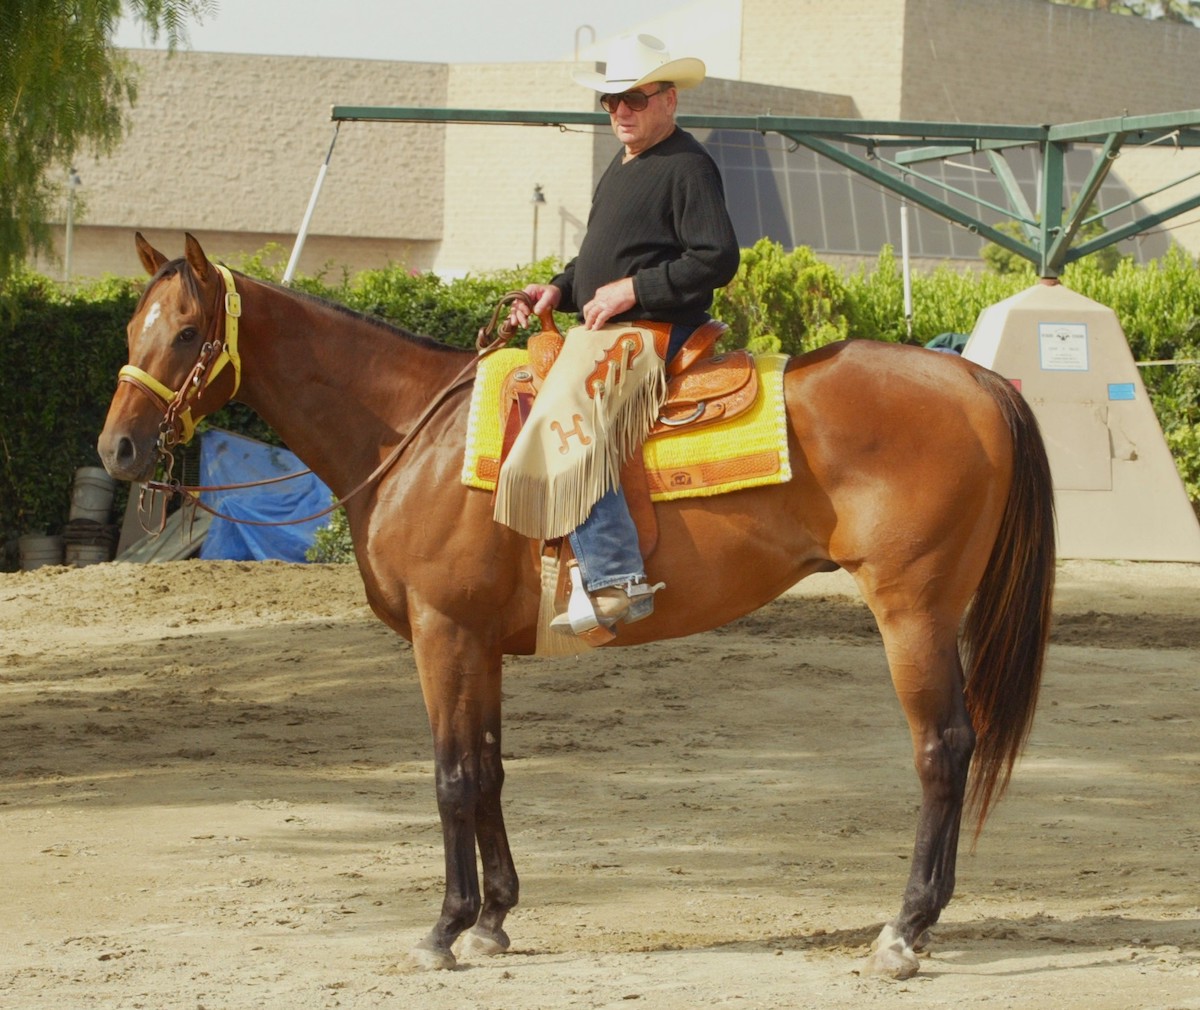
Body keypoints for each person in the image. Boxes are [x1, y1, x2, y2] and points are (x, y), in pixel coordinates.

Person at [506, 33, 740, 637]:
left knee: (570, 417)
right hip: (614, 323)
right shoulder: (624, 162)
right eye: (610, 102)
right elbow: (601, 258)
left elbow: (715, 259)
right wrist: (559, 287)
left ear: (669, 100)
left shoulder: (689, 165)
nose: (621, 112)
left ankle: (614, 579)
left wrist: (633, 290)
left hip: (657, 327)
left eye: (633, 98)